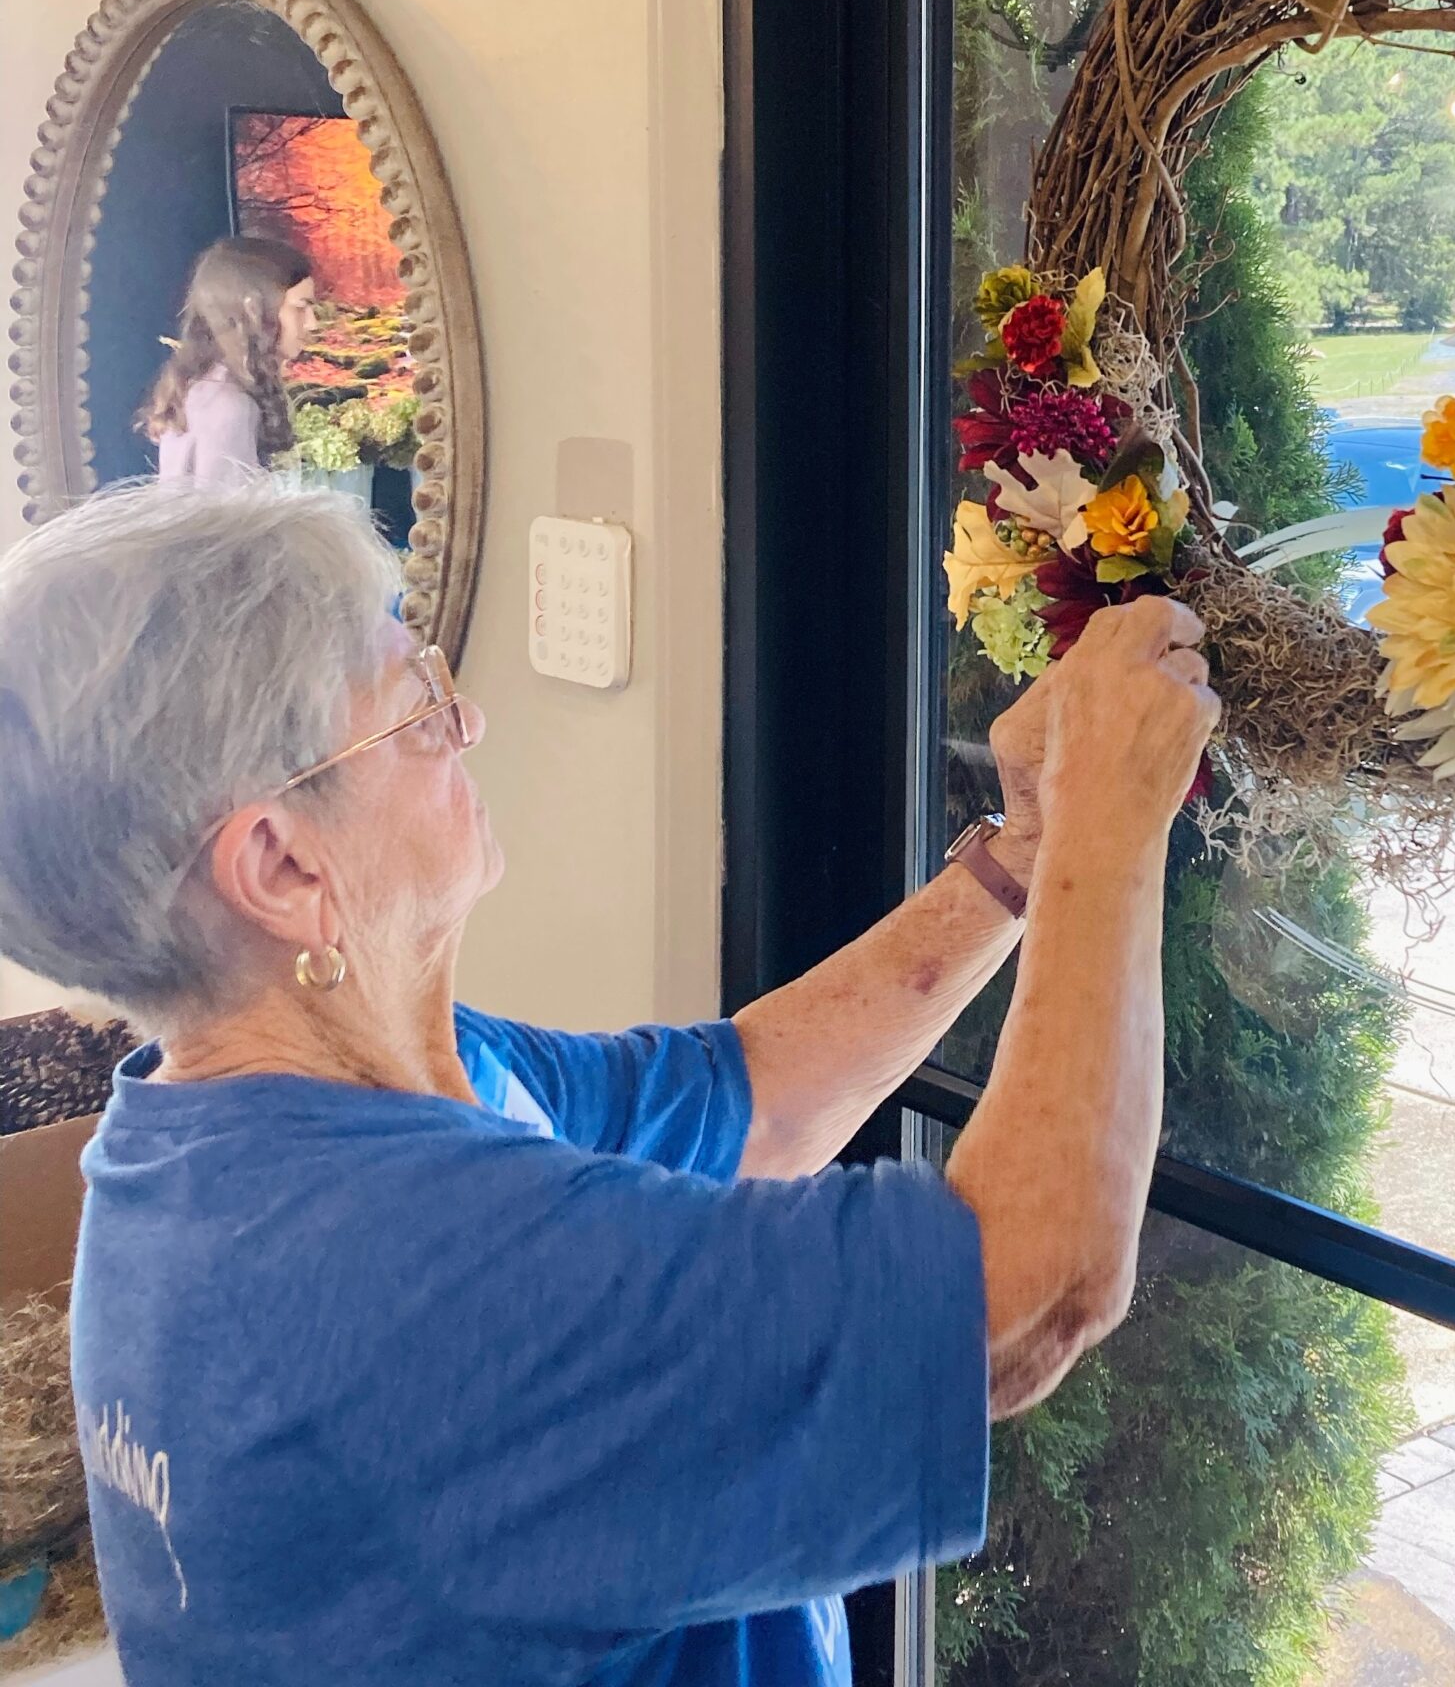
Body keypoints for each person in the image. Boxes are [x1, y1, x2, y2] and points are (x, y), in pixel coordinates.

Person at [0, 480, 1218, 1686]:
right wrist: (1116, 817)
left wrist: (1026, 850)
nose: (465, 721)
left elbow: (751, 1101)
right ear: (279, 862)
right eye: (413, 706)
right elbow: (1026, 1281)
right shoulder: (403, 1281)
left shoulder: (253, 1116)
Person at [140, 237, 318, 482]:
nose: (312, 323)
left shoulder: (206, 387)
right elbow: (230, 519)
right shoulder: (228, 403)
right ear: (252, 310)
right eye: (300, 307)